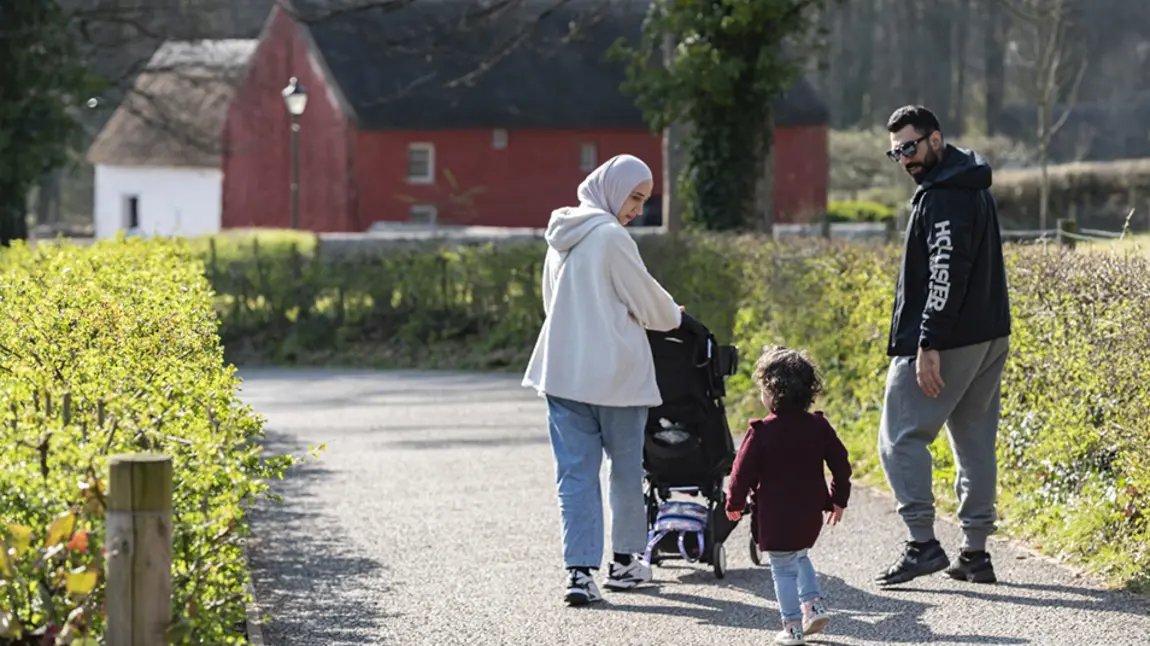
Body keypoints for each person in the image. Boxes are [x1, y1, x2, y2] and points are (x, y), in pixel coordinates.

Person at [522, 154, 683, 606]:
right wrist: (675, 315)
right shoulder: (612, 238)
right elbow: (652, 307)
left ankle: (579, 573)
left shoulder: (560, 237)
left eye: (643, 200)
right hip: (617, 377)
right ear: (613, 189)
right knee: (625, 474)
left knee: (574, 477)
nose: (637, 209)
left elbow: (552, 305)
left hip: (562, 374)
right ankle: (625, 562)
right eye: (634, 197)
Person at [875, 105, 1012, 587]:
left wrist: (928, 339)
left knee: (899, 437)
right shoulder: (969, 184)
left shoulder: (946, 196)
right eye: (896, 153)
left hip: (949, 337)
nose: (904, 160)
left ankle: (922, 544)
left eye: (910, 147)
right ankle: (975, 554)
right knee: (974, 441)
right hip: (990, 333)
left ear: (935, 139)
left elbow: (945, 272)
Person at [726, 346, 852, 646]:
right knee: (800, 554)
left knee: (782, 568)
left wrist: (735, 503)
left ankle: (793, 627)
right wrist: (839, 498)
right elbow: (841, 464)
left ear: (771, 392)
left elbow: (740, 472)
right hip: (809, 514)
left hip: (776, 515)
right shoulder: (819, 427)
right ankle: (814, 605)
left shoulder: (761, 432)